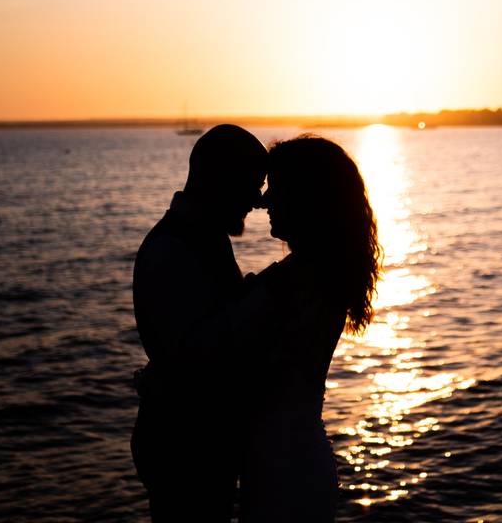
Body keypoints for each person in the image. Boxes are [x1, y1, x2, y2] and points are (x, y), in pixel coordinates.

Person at [234, 135, 381, 522]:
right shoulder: (318, 273)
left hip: (285, 468)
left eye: (276, 188)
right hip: (290, 459)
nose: (264, 200)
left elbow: (244, 365)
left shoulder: (297, 281)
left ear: (306, 197)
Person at [131, 124, 267, 522]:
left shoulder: (203, 238)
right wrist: (258, 302)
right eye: (251, 185)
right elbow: (191, 354)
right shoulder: (173, 249)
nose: (258, 201)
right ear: (221, 180)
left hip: (198, 444)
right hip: (183, 450)